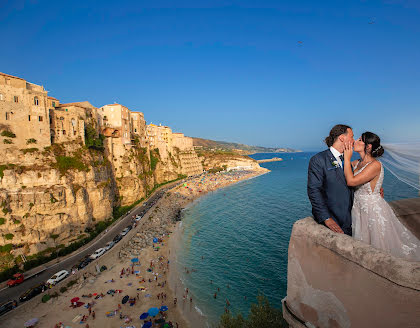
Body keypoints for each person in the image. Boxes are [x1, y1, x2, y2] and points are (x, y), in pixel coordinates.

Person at [343, 132, 420, 260]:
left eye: (360, 140)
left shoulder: (375, 165)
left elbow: (351, 181)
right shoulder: (356, 163)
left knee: (380, 246)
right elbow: (343, 170)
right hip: (358, 208)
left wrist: (346, 158)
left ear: (368, 147)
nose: (355, 141)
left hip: (372, 210)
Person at [307, 124, 354, 235]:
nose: (354, 140)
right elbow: (314, 190)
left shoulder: (347, 160)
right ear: (342, 138)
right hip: (334, 219)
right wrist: (326, 218)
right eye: (352, 137)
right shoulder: (318, 160)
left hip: (350, 219)